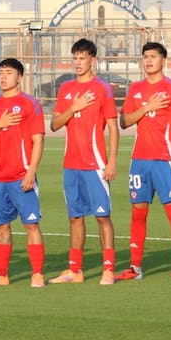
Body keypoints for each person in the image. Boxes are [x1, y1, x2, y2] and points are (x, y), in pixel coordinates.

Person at [115, 42, 171, 282]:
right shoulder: (135, 89)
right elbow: (124, 121)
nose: (148, 60)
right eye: (145, 56)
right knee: (138, 213)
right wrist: (146, 107)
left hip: (164, 161)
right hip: (139, 160)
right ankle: (135, 267)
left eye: (153, 56)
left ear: (163, 60)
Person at [48, 39, 118, 285]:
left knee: (102, 217)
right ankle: (74, 270)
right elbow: (55, 124)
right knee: (75, 217)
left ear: (92, 60)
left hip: (95, 163)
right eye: (75, 57)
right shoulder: (66, 89)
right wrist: (73, 107)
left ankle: (108, 269)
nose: (77, 62)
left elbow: (112, 126)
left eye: (82, 57)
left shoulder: (102, 89)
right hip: (71, 164)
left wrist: (112, 161)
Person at [0, 58, 46, 288]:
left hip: (21, 176)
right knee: (1, 226)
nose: (3, 77)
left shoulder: (29, 104)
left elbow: (38, 140)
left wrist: (31, 172)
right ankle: (1, 275)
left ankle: (37, 274)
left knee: (31, 225)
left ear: (20, 77)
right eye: (0, 72)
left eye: (8, 72)